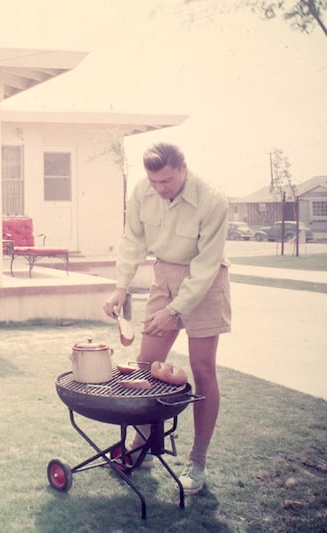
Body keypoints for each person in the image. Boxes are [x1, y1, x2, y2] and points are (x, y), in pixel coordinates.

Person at [102, 142, 230, 494]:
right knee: (146, 363)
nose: (160, 189)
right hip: (164, 274)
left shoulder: (213, 200)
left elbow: (205, 267)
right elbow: (132, 240)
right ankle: (142, 444)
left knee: (202, 369)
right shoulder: (143, 191)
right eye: (154, 181)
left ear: (184, 169)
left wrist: (175, 312)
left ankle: (197, 463)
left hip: (205, 281)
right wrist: (120, 288)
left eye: (168, 181)